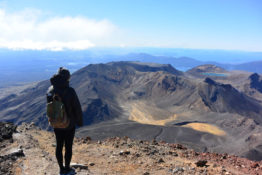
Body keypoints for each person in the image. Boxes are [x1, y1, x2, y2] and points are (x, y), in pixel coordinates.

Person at [46, 67, 83, 175]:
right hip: (69, 124)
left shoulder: (50, 90)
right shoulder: (70, 91)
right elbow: (77, 107)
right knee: (68, 146)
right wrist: (79, 122)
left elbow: (49, 107)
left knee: (59, 145)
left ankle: (61, 169)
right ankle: (67, 168)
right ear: (67, 78)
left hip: (56, 123)